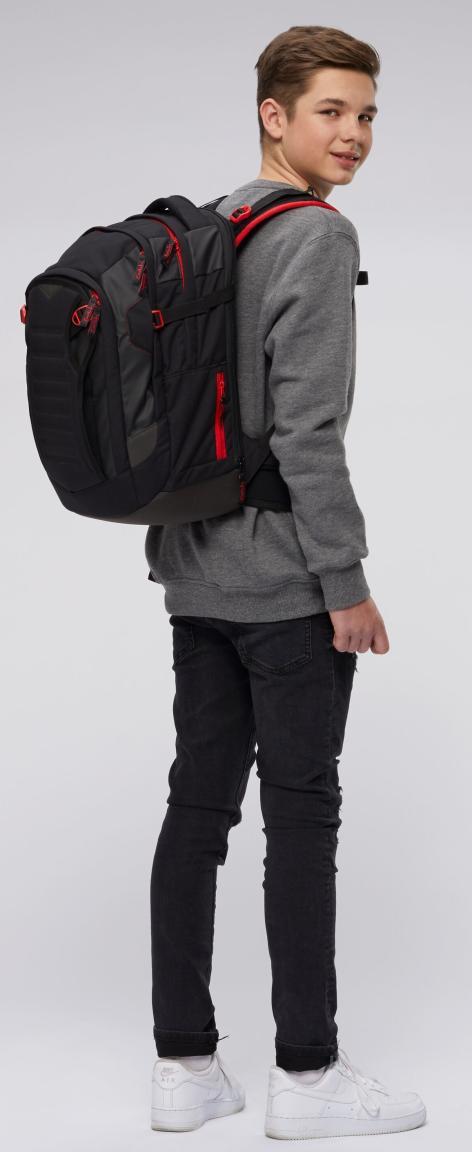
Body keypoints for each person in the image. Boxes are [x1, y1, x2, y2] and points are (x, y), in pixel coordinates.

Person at [148, 24, 427, 1139]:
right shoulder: (313, 233)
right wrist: (344, 583)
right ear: (274, 115)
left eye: (366, 115)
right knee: (301, 818)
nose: (354, 134)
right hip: (283, 586)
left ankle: (184, 1067)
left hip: (193, 572)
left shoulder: (212, 228)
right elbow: (308, 434)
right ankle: (306, 1077)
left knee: (196, 811)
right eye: (331, 111)